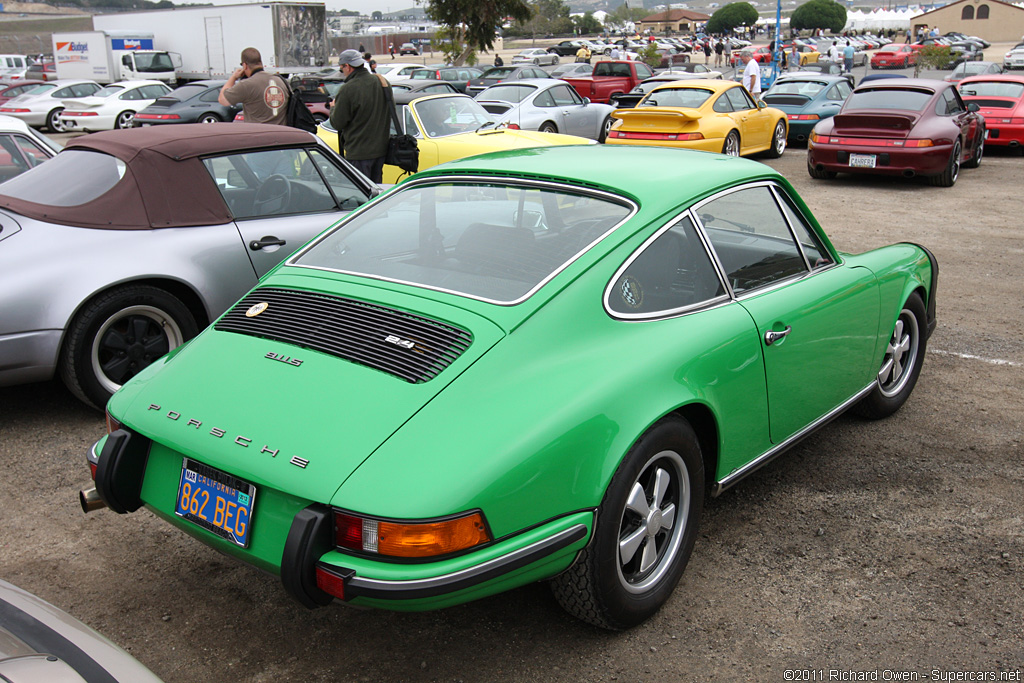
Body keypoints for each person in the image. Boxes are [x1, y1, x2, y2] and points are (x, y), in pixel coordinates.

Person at [330, 49, 389, 184]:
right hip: (381, 150)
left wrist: (333, 108)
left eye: (341, 68)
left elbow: (337, 123)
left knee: (361, 195)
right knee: (377, 194)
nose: (342, 72)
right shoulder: (382, 82)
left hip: (358, 152)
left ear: (348, 67)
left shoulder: (348, 89)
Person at [218, 47, 287, 126]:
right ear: (260, 62)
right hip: (282, 134)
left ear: (244, 66)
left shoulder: (246, 85)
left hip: (258, 135)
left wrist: (234, 77)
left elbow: (222, 100)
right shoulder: (281, 81)